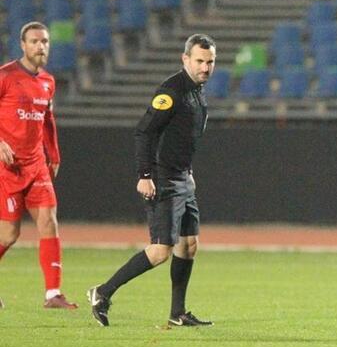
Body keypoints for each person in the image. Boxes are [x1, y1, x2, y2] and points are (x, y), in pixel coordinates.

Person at [86, 34, 216, 327]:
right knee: (160, 251)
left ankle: (177, 313)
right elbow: (145, 132)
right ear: (185, 60)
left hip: (182, 177)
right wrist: (144, 175)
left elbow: (182, 138)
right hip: (162, 177)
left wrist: (189, 171)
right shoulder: (172, 90)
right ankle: (102, 293)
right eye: (199, 61)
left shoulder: (198, 91)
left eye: (210, 62)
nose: (205, 67)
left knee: (189, 245)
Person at [0, 22, 77, 309]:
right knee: (9, 234)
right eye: (34, 41)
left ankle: (52, 294)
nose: (40, 46)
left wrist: (53, 154)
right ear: (22, 45)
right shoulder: (5, 76)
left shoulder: (48, 81)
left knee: (49, 222)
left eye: (44, 41)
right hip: (7, 168)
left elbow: (47, 119)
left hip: (36, 165)